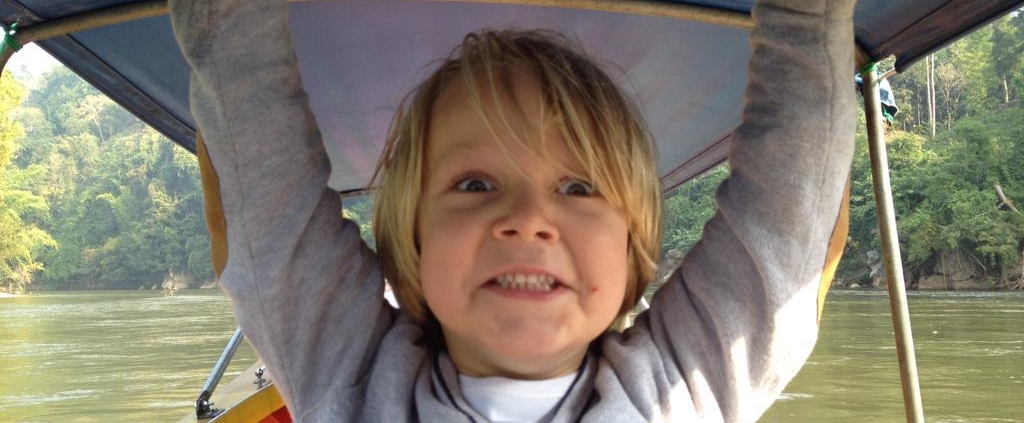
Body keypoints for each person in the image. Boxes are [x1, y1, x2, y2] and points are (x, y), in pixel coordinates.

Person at [169, 0, 856, 420]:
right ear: (412, 241)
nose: (528, 219)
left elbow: (786, 223)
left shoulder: (685, 387)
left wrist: (805, 18)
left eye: (579, 188)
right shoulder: (351, 378)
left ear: (631, 252)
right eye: (474, 184)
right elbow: (265, 188)